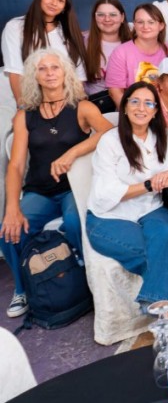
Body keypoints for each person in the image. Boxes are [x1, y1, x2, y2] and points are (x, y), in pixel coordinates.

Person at [86, 81, 168, 312]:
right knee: (167, 250)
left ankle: (164, 314)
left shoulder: (163, 136)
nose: (141, 108)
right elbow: (105, 195)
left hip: (150, 209)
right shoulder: (110, 141)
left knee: (167, 236)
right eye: (134, 101)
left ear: (155, 110)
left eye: (148, 103)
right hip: (109, 217)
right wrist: (149, 184)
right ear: (124, 107)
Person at [0, 49, 112, 317]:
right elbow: (15, 166)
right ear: (34, 76)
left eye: (55, 67)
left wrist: (72, 152)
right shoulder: (25, 115)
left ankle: (85, 276)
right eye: (42, 69)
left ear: (65, 73)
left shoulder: (82, 107)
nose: (49, 73)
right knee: (9, 232)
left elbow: (109, 132)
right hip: (40, 190)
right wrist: (11, 208)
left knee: (74, 222)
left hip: (74, 187)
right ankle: (23, 289)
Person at [2, 0, 89, 105]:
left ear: (65, 7)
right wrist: (24, 109)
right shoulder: (16, 27)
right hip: (31, 102)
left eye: (60, 0)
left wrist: (76, 111)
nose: (54, 3)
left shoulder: (68, 32)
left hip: (66, 103)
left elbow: (79, 78)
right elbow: (15, 72)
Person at [105, 4, 168, 107]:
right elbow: (115, 92)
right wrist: (134, 114)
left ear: (161, 26)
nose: (145, 27)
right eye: (140, 22)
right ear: (134, 25)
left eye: (151, 22)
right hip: (133, 114)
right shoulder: (121, 52)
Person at [83, 0, 133, 112]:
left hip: (131, 106)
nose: (107, 19)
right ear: (94, 17)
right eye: (101, 15)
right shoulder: (83, 42)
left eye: (113, 15)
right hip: (97, 108)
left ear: (122, 17)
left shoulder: (135, 42)